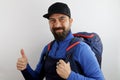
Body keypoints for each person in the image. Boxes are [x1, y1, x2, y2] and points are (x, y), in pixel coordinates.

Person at [16, 2, 105, 80]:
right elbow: (36, 78)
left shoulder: (81, 48)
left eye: (62, 19)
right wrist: (25, 68)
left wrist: (70, 76)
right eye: (52, 20)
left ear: (70, 21)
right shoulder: (47, 49)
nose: (57, 24)